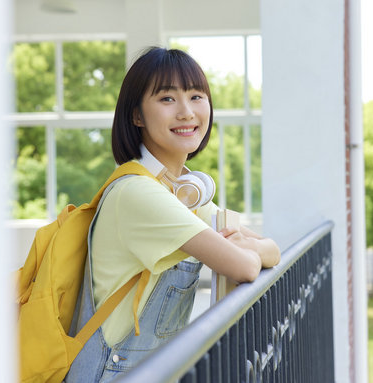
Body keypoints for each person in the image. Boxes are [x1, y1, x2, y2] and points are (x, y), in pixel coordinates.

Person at [65, 47, 280, 383]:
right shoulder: (139, 194)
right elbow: (245, 266)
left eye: (196, 96)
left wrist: (251, 247)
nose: (186, 112)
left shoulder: (179, 192)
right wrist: (249, 250)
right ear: (137, 116)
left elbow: (273, 249)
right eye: (167, 99)